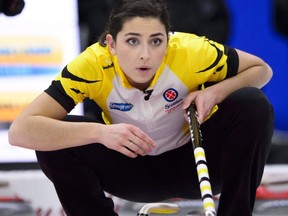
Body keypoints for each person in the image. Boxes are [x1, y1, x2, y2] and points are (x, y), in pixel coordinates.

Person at [8, 0, 274, 215]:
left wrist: (218, 91)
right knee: (55, 135)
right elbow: (20, 131)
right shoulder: (91, 65)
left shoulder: (193, 51)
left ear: (168, 41)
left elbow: (262, 70)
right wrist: (100, 133)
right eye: (132, 41)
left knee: (251, 103)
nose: (145, 54)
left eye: (156, 41)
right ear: (111, 44)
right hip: (130, 169)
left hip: (195, 160)